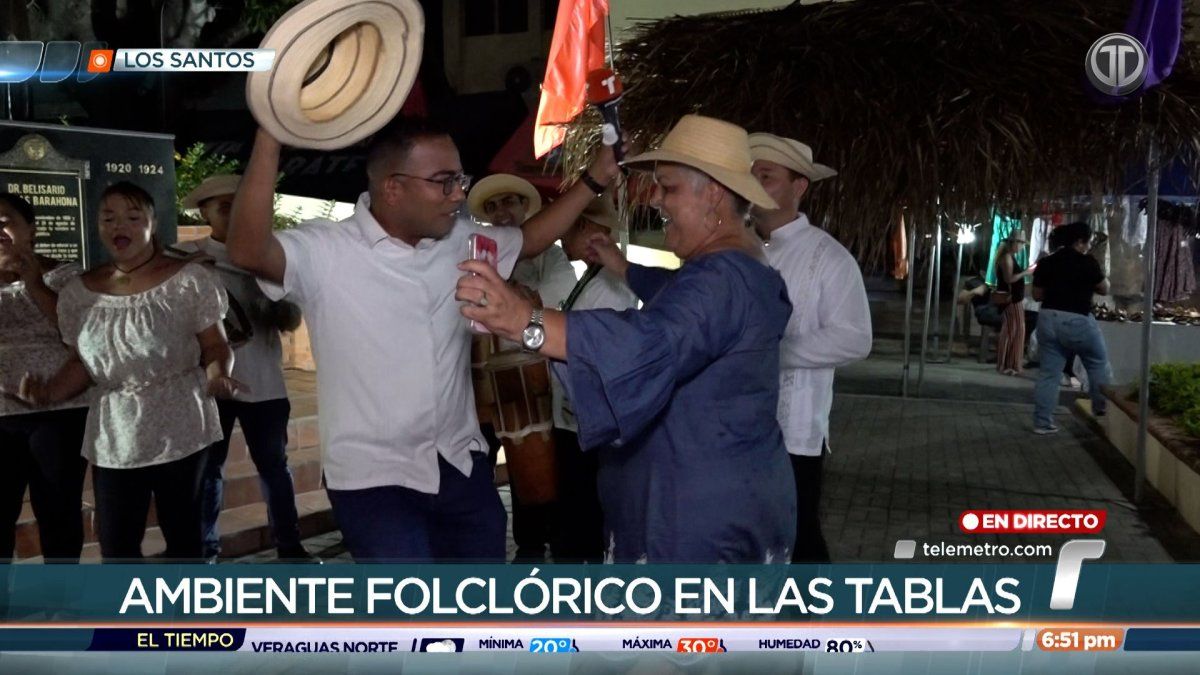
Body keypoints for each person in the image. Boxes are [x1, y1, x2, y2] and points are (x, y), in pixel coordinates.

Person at [226, 118, 620, 562]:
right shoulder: (324, 250)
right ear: (393, 188)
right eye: (444, 181)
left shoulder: (460, 240)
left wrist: (594, 179)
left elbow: (528, 239)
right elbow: (247, 250)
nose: (459, 194)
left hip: (460, 466)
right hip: (374, 481)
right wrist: (270, 136)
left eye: (459, 179)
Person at [457, 115, 797, 563]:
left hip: (697, 523)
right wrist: (621, 266)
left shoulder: (721, 279)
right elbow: (677, 299)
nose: (655, 199)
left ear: (714, 193)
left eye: (667, 187)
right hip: (730, 499)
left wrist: (525, 321)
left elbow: (648, 342)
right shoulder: (741, 268)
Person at [10, 182, 238, 560]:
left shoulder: (188, 280)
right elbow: (83, 362)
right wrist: (48, 392)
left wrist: (218, 374)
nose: (120, 226)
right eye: (109, 218)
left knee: (184, 538)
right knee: (117, 544)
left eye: (133, 217)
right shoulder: (80, 292)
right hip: (115, 431)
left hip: (180, 422)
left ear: (152, 223)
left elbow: (215, 345)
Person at [174, 174, 316, 563]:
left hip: (265, 385)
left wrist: (267, 290)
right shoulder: (182, 259)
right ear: (203, 213)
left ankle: (290, 548)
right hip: (209, 384)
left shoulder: (269, 256)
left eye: (239, 205)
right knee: (209, 471)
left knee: (275, 468)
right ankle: (206, 553)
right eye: (223, 207)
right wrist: (187, 274)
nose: (234, 214)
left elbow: (289, 320)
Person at [748, 133, 872, 564]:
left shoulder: (828, 256)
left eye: (766, 176)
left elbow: (855, 337)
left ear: (799, 186)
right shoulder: (739, 249)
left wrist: (771, 354)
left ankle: (814, 608)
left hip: (793, 431)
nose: (754, 184)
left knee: (798, 538)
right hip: (733, 424)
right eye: (749, 175)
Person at [466, 173, 579, 562]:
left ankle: (532, 545)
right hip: (480, 381)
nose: (501, 212)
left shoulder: (551, 255)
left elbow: (556, 298)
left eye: (509, 202)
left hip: (530, 381)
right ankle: (479, 547)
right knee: (476, 462)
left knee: (531, 467)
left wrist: (507, 296)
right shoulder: (476, 251)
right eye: (493, 206)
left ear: (524, 207)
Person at [0, 193, 89, 562]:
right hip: (2, 414)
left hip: (60, 412)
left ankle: (62, 595)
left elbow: (80, 334)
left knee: (58, 511)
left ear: (31, 229)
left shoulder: (66, 277)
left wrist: (34, 283)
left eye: (4, 221)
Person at [549, 195, 638, 562]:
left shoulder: (612, 284)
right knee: (575, 511)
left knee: (582, 515)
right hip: (575, 418)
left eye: (566, 228)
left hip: (588, 422)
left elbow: (596, 351)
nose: (560, 237)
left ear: (586, 227)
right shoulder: (594, 276)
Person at [1031, 222, 1111, 434]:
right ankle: (1101, 410)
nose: (1089, 246)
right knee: (1097, 363)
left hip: (1048, 318)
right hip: (1077, 319)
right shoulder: (1088, 262)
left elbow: (1036, 295)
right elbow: (1104, 289)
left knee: (1049, 374)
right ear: (1080, 242)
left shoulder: (1046, 262)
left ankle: (1042, 422)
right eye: (1088, 242)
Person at [994, 230, 1033, 375]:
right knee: (1013, 331)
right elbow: (1009, 279)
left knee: (1016, 331)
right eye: (1021, 243)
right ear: (1014, 243)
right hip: (1011, 300)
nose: (1022, 246)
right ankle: (1008, 364)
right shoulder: (1006, 258)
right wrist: (1025, 272)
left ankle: (1011, 364)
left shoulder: (1009, 257)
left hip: (1014, 299)